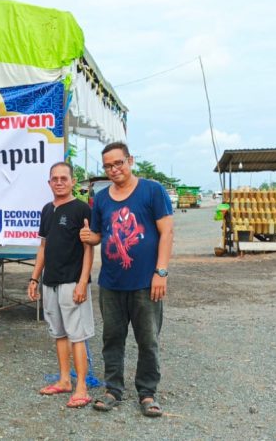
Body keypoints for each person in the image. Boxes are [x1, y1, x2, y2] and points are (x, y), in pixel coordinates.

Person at [79, 142, 174, 418]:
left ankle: (147, 393)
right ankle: (113, 390)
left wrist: (161, 272)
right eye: (108, 166)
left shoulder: (152, 190)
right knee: (112, 339)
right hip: (111, 283)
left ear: (130, 160)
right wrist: (88, 237)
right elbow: (100, 235)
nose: (114, 169)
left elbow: (167, 233)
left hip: (146, 282)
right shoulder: (101, 199)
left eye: (118, 163)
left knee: (148, 340)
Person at [27, 162, 96, 409]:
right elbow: (43, 247)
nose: (59, 182)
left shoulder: (81, 209)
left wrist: (83, 282)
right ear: (49, 183)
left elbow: (89, 249)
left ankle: (81, 388)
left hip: (72, 282)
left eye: (63, 178)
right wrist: (35, 278)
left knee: (77, 335)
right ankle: (65, 380)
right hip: (51, 282)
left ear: (73, 182)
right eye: (54, 179)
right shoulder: (47, 210)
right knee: (58, 333)